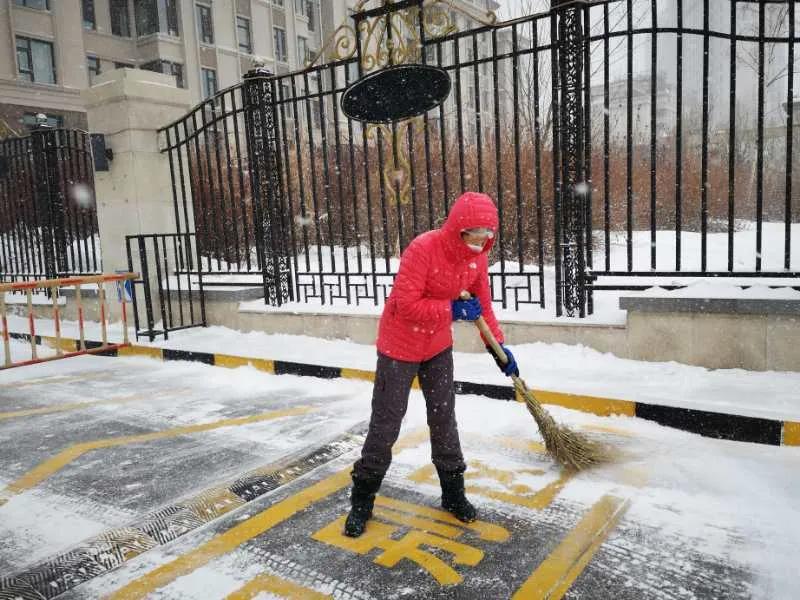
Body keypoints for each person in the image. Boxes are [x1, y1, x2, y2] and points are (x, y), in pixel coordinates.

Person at [344, 191, 519, 538]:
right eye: (476, 233)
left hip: (437, 345)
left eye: (488, 234)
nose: (483, 240)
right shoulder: (423, 249)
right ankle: (362, 498)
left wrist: (497, 346)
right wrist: (451, 310)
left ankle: (453, 493)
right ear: (458, 229)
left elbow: (483, 306)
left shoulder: (477, 259)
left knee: (443, 418)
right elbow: (407, 304)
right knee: (387, 421)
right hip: (399, 345)